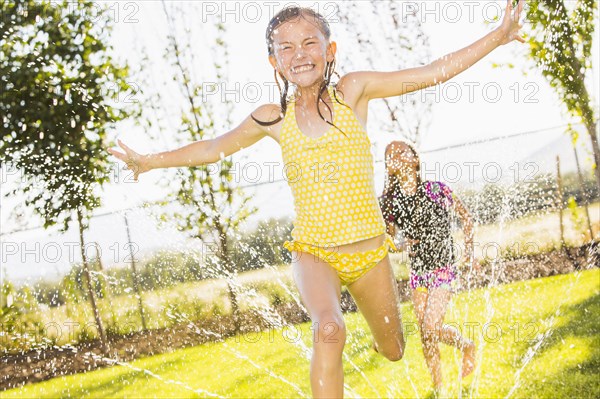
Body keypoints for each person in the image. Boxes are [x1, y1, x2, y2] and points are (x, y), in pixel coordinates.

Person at [107, 3, 525, 397]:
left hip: (369, 252)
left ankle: (386, 342)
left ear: (330, 50)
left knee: (395, 348)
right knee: (329, 329)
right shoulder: (272, 118)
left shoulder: (353, 92)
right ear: (274, 61)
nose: (299, 53)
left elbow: (431, 71)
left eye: (309, 42)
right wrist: (149, 162)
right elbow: (211, 147)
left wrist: (499, 34)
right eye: (285, 47)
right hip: (315, 251)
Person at [379, 140, 481, 395]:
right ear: (388, 168)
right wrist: (401, 243)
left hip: (443, 268)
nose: (397, 156)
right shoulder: (390, 202)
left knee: (431, 327)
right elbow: (388, 240)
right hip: (418, 273)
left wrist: (469, 252)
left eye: (402, 151)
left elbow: (466, 218)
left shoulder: (436, 190)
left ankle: (467, 345)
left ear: (415, 159)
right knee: (427, 335)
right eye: (390, 155)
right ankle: (438, 387)